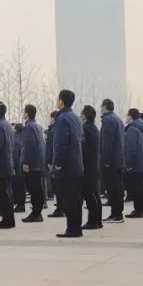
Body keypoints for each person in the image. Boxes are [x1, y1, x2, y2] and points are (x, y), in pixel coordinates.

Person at [52, 90, 85, 238]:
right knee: (76, 198)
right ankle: (76, 227)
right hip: (77, 163)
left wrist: (58, 162)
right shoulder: (76, 118)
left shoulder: (62, 119)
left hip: (66, 165)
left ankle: (72, 229)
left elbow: (61, 143)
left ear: (61, 101)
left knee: (68, 199)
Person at [99, 99, 125, 223]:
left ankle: (116, 214)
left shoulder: (108, 120)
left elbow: (107, 142)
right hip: (119, 159)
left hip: (111, 161)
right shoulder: (118, 119)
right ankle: (118, 213)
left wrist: (106, 160)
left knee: (112, 188)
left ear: (105, 107)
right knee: (118, 188)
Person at [21, 104, 46, 223]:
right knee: (37, 188)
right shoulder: (38, 126)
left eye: (24, 111)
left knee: (33, 188)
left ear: (27, 113)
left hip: (32, 163)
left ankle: (36, 213)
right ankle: (37, 212)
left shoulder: (29, 127)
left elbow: (28, 146)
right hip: (38, 162)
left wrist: (26, 162)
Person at [79, 105, 102, 231]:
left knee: (89, 194)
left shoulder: (85, 129)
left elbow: (83, 149)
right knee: (95, 194)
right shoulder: (94, 128)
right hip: (94, 164)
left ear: (85, 117)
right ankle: (97, 220)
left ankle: (92, 221)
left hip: (87, 165)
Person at [123, 108, 143, 218]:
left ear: (130, 117)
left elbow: (131, 148)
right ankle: (142, 210)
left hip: (134, 164)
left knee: (135, 188)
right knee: (141, 187)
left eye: (127, 115)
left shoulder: (132, 129)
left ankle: (138, 210)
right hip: (142, 161)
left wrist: (128, 164)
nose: (126, 118)